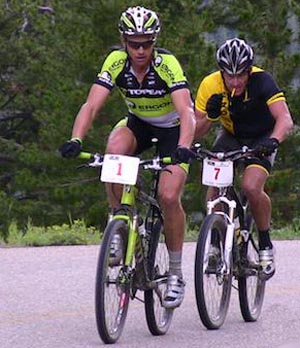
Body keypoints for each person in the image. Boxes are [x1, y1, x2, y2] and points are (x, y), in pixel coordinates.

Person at [59, 6, 195, 308]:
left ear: (155, 41)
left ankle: (175, 273)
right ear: (124, 41)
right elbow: (91, 105)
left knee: (169, 197)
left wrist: (185, 146)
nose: (141, 49)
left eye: (147, 42)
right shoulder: (116, 62)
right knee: (113, 155)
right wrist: (75, 138)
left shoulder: (166, 64)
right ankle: (120, 225)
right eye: (134, 43)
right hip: (138, 123)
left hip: (173, 130)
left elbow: (187, 112)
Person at [194, 38, 294, 280]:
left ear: (250, 71)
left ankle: (265, 242)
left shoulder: (263, 81)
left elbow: (285, 119)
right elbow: (195, 131)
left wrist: (274, 141)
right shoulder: (210, 85)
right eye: (230, 76)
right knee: (215, 186)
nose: (236, 81)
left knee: (250, 186)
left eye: (241, 75)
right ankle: (216, 244)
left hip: (262, 137)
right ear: (221, 72)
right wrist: (209, 115)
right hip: (231, 135)